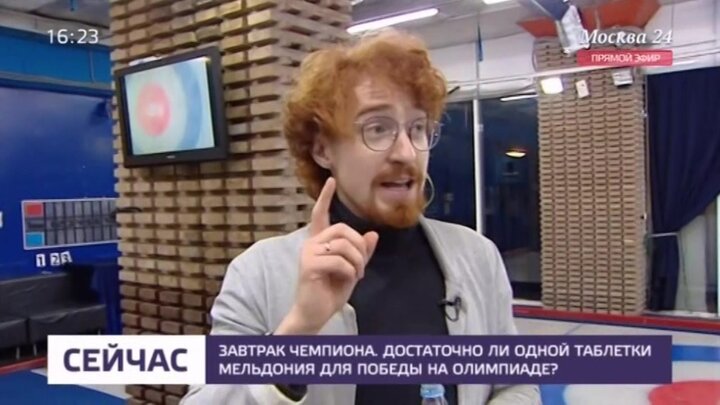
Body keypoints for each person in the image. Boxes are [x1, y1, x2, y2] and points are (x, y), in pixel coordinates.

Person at [181, 29, 541, 405]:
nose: (406, 152)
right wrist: (299, 329)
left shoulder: (477, 257)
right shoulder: (259, 274)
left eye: (418, 128)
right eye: (378, 128)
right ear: (323, 150)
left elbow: (516, 385)